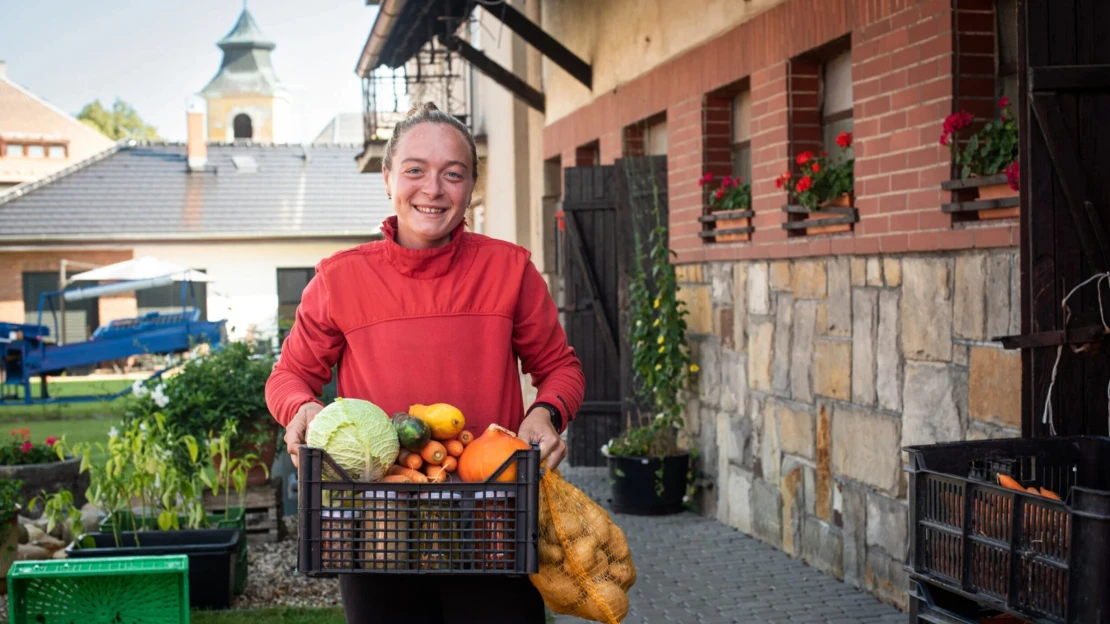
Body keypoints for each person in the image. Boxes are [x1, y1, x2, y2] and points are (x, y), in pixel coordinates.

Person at [265, 101, 586, 624]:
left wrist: (546, 412)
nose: (433, 189)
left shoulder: (510, 271)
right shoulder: (339, 279)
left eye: (452, 174)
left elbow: (561, 368)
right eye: (415, 170)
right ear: (387, 177)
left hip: (493, 528)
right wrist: (298, 408)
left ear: (471, 187)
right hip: (378, 534)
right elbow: (289, 376)